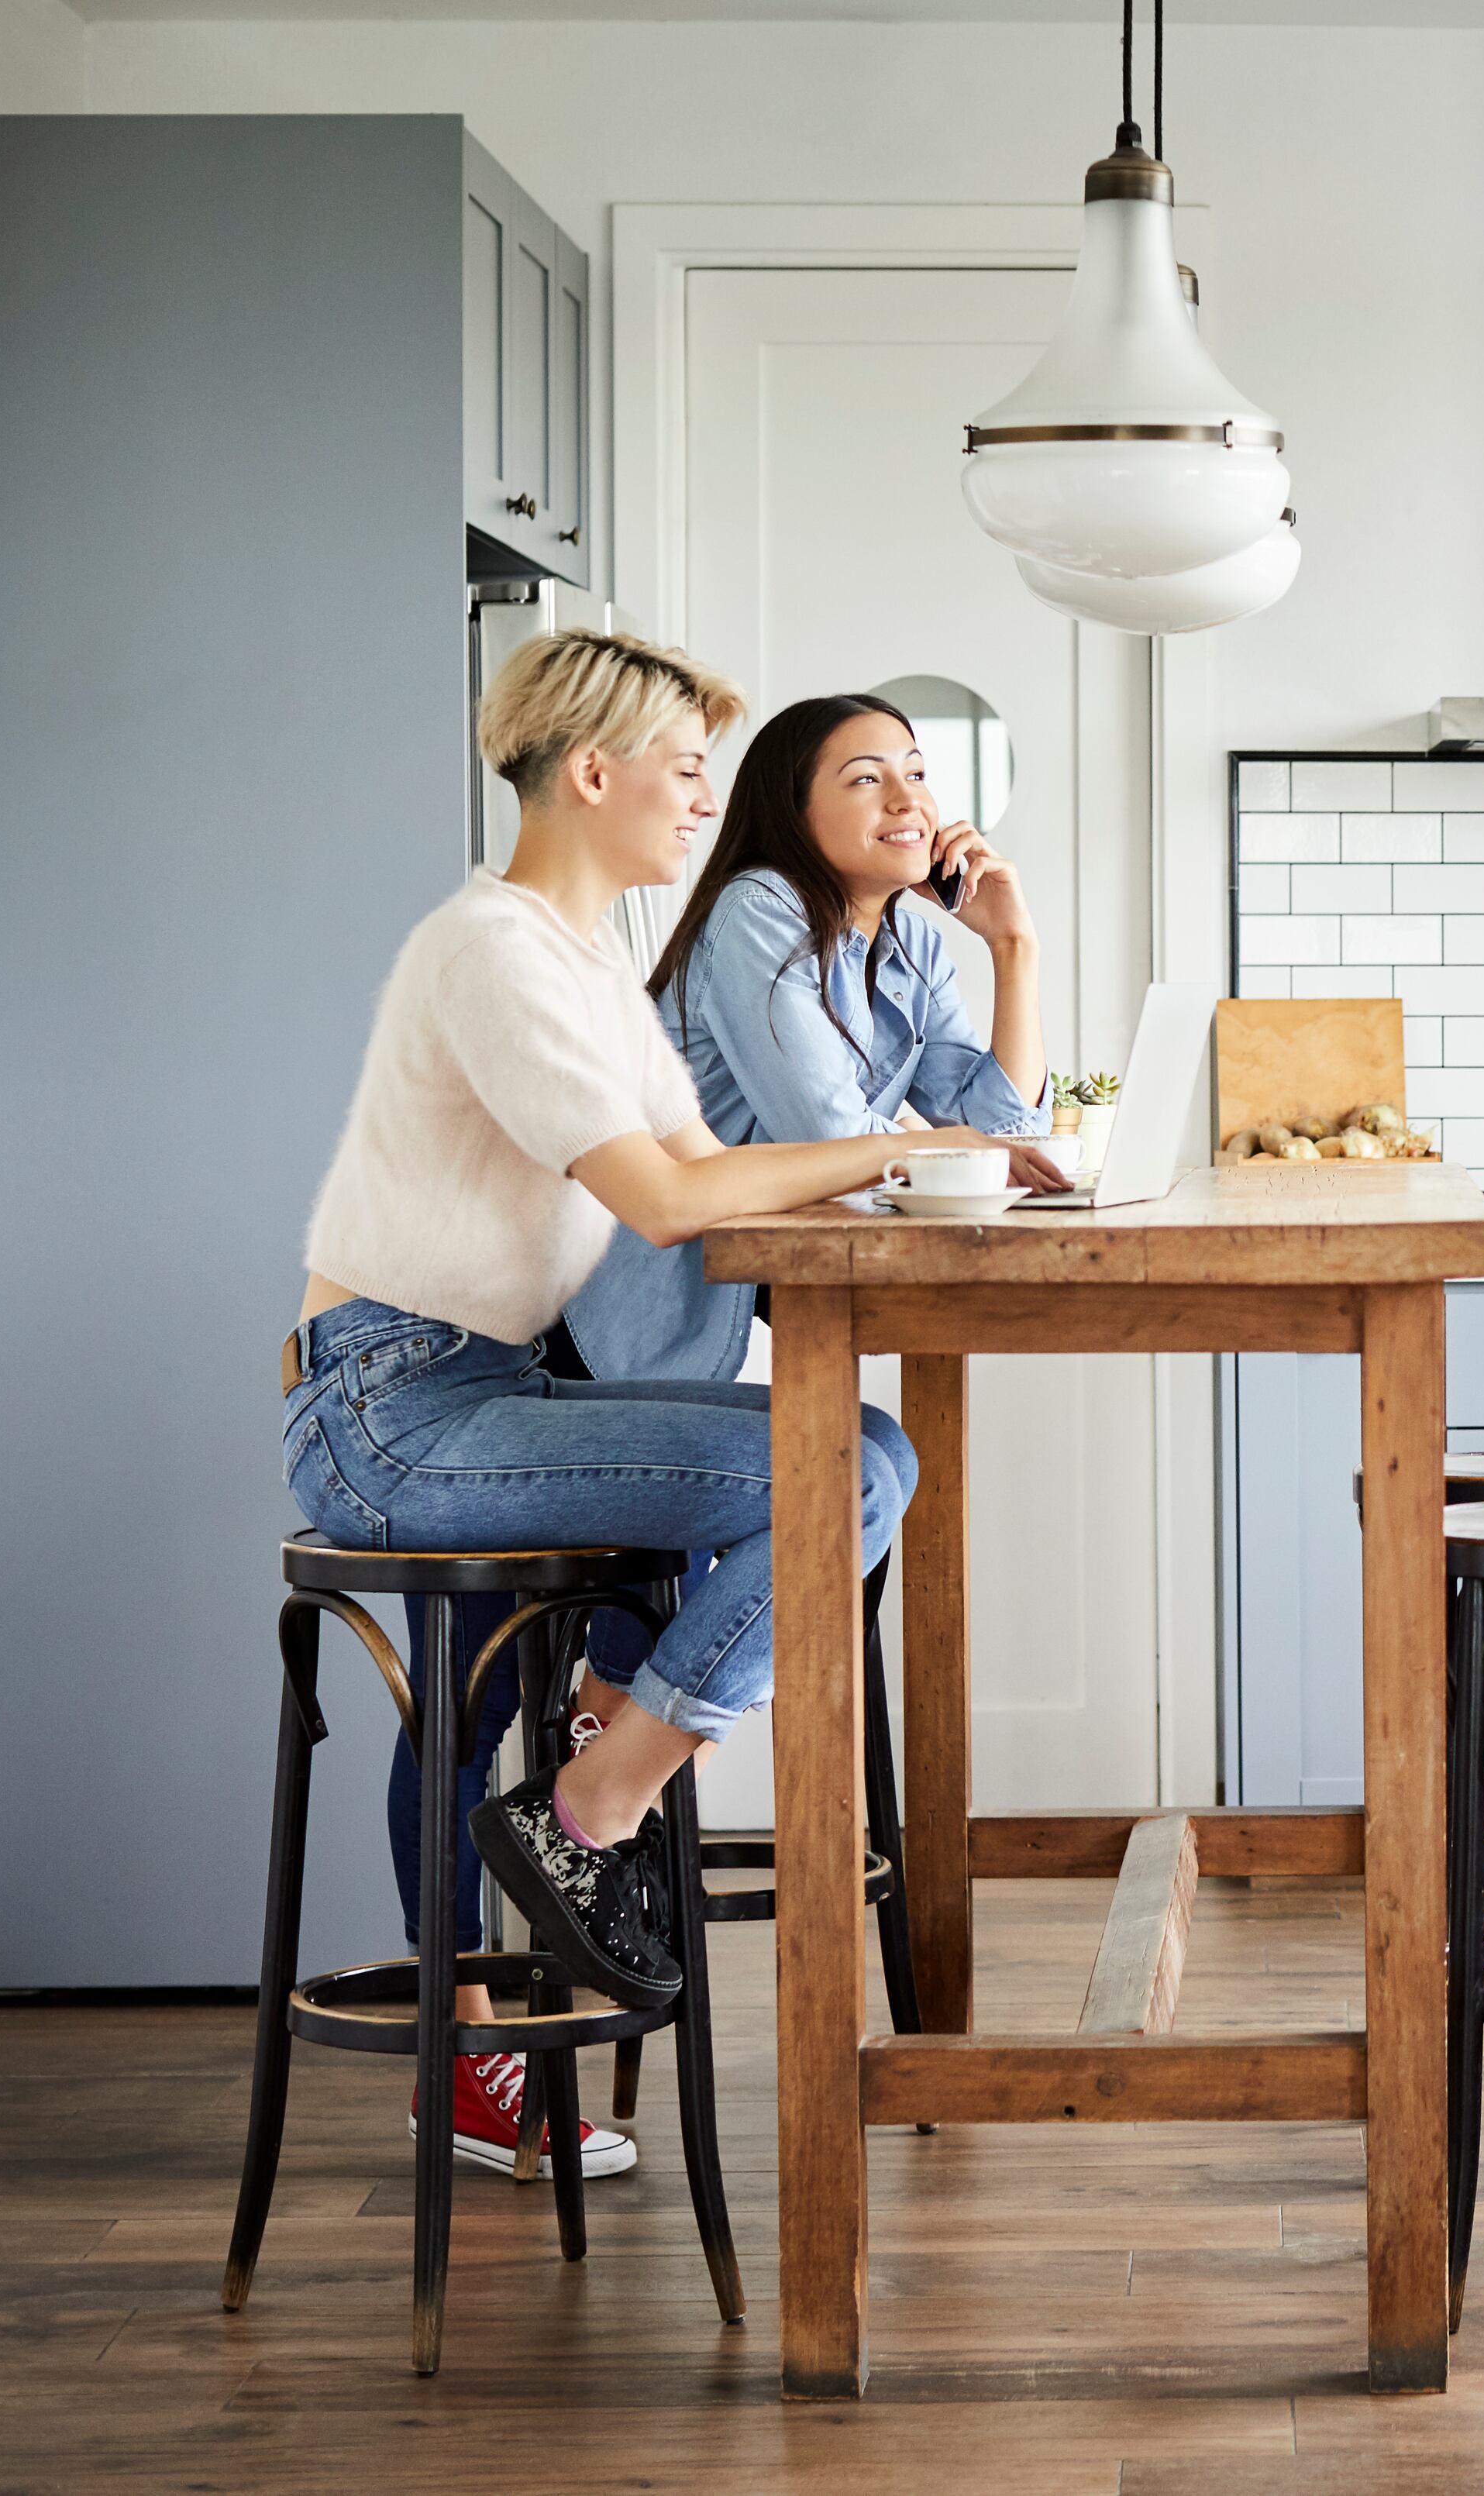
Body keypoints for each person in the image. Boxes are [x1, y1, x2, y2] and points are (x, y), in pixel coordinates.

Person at [282, 628, 1057, 2174]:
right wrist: (902, 1144)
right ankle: (569, 1847)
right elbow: (662, 1198)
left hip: (482, 1384)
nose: (709, 797)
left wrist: (922, 1113)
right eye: (688, 766)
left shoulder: (584, 972)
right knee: (842, 1470)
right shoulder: (492, 950)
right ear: (592, 773)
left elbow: (718, 1175)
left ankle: (588, 1800)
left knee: (854, 1461)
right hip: (397, 1413)